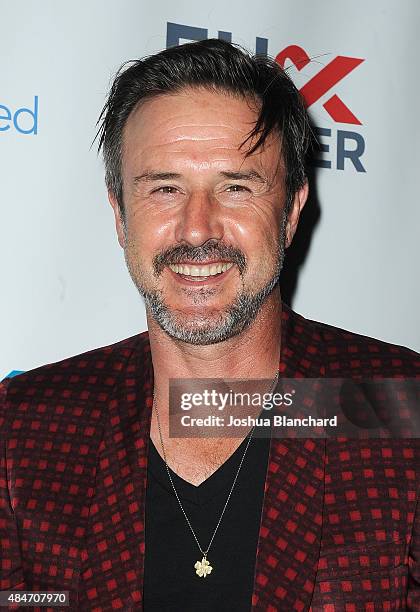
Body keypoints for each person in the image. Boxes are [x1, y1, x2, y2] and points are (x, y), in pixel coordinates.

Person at [1, 39, 419, 611]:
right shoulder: (26, 428)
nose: (197, 230)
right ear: (121, 215)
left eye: (236, 187)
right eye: (165, 189)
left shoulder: (399, 408)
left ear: (292, 211)